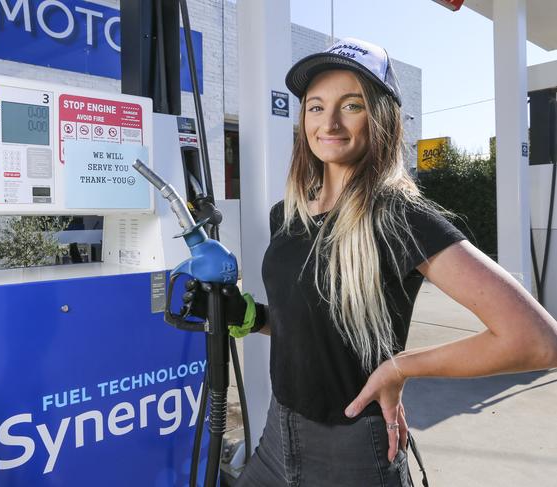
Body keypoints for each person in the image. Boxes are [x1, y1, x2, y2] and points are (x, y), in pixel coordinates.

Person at [185, 37, 557, 487]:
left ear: (381, 117)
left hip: (353, 453)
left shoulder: (400, 217)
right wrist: (254, 317)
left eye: (352, 105)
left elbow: (536, 340)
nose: (331, 123)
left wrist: (401, 366)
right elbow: (312, 323)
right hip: (276, 437)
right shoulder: (289, 213)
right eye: (316, 107)